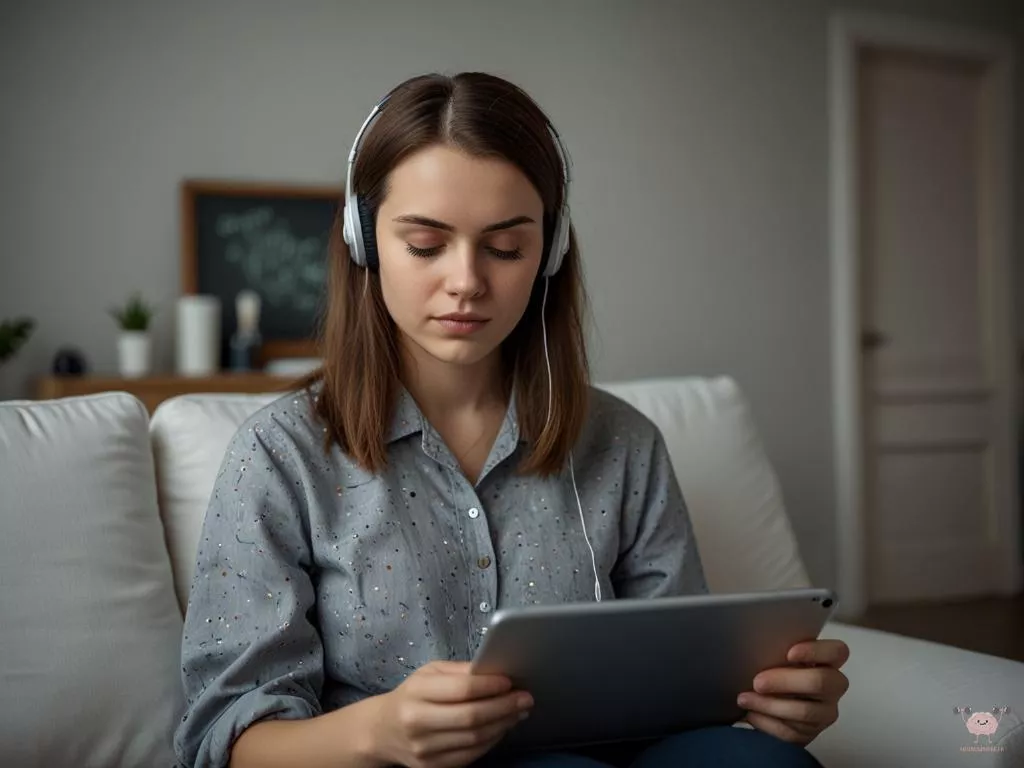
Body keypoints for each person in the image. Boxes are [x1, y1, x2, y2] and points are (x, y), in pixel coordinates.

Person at [173, 71, 849, 768]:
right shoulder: (281, 454)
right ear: (363, 242)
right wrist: (379, 731)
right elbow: (226, 741)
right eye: (426, 245)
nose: (467, 280)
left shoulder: (624, 444)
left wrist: (765, 701)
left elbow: (684, 681)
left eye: (505, 247)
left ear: (550, 254)